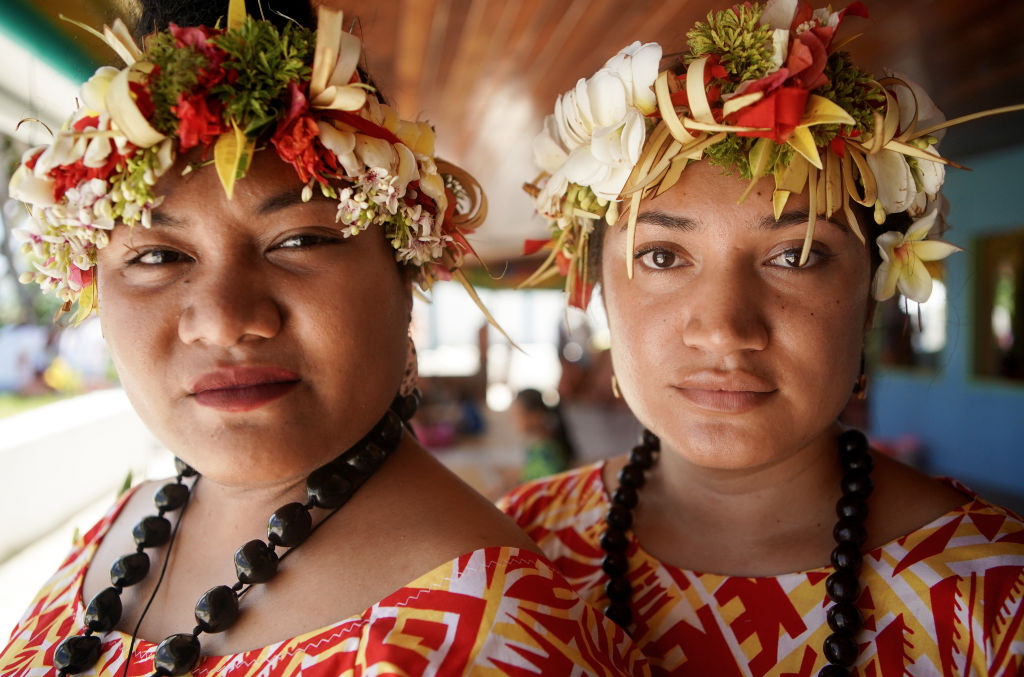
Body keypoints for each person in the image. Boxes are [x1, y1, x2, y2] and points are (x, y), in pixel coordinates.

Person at [0, 1, 649, 674]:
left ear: (408, 271)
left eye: (301, 240)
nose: (225, 318)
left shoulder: (490, 634)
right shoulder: (119, 528)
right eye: (157, 256)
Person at [500, 2, 1024, 675]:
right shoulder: (513, 555)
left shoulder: (995, 597)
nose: (724, 327)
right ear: (598, 286)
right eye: (662, 256)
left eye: (796, 255)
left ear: (872, 291)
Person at [511, 388, 575, 482]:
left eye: (518, 414)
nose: (513, 420)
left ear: (537, 415)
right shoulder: (535, 448)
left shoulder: (547, 452)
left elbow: (547, 488)